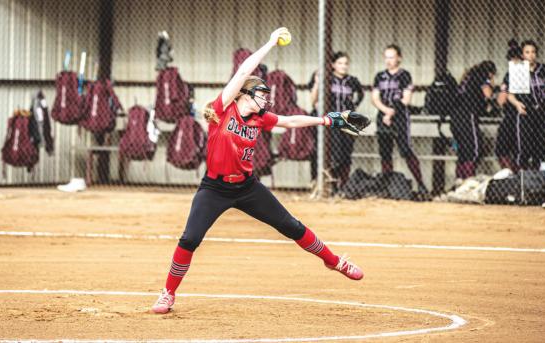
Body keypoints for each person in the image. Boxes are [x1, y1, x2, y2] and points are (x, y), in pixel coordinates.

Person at [150, 28, 364, 314]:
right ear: (245, 95)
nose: (266, 100)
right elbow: (242, 73)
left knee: (292, 226)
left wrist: (326, 120)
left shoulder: (260, 118)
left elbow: (289, 121)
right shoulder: (223, 108)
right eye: (261, 95)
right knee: (190, 239)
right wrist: (271, 43)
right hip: (214, 188)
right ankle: (168, 293)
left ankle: (334, 261)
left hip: (247, 187)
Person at [371, 44, 428, 194]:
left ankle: (421, 184)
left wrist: (391, 113)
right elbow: (375, 98)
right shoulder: (379, 76)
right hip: (382, 117)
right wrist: (385, 111)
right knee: (385, 152)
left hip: (400, 117)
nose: (389, 60)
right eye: (386, 57)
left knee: (406, 150)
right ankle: (387, 186)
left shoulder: (405, 75)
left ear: (399, 58)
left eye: (392, 57)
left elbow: (406, 99)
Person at [310, 51, 364, 193]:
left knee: (346, 154)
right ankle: (331, 185)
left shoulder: (352, 81)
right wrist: (317, 83)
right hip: (331, 122)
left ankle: (343, 186)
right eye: (340, 63)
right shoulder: (327, 79)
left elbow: (360, 94)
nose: (343, 66)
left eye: (346, 63)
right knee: (332, 153)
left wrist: (354, 106)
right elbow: (313, 100)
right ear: (333, 65)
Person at [507, 40, 545, 170]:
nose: (531, 55)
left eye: (533, 52)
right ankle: (522, 178)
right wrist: (517, 104)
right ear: (522, 54)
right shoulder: (519, 70)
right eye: (527, 52)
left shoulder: (544, 69)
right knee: (524, 146)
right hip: (525, 113)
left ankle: (538, 177)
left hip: (542, 113)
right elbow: (510, 94)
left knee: (540, 146)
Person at [450, 61, 496, 179]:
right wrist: (492, 84)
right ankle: (468, 181)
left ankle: (459, 181)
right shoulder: (482, 76)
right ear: (490, 73)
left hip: (455, 116)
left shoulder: (469, 76)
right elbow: (488, 94)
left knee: (463, 152)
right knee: (474, 150)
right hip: (467, 114)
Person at [495, 39, 523, 172]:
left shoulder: (512, 74)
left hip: (512, 115)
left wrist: (501, 93)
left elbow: (501, 99)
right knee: (518, 150)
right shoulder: (530, 73)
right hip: (526, 116)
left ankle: (511, 176)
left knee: (502, 149)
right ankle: (517, 178)